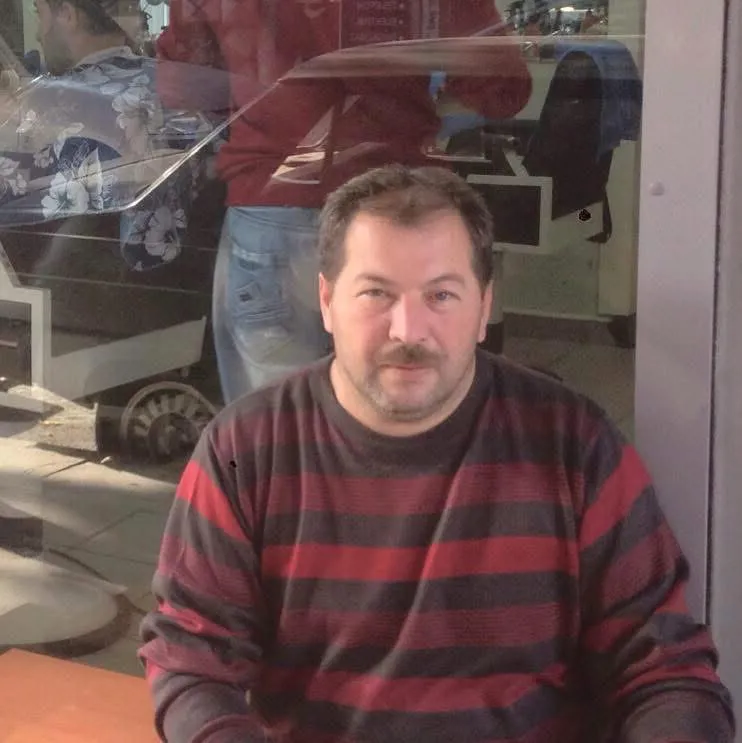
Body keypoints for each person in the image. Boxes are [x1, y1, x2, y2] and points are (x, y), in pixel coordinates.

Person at [139, 164, 735, 743]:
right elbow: (192, 657)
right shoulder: (246, 449)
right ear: (326, 300)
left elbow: (661, 667)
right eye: (376, 293)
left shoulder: (573, 444)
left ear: (484, 307)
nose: (408, 330)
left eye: (441, 295)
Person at [155, 0, 533, 403]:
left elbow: (182, 85)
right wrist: (417, 101)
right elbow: (502, 88)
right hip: (391, 205)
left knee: (275, 423)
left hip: (277, 195)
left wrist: (262, 95)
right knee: (401, 413)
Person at [0, 0, 212, 271]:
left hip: (85, 284)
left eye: (40, 15)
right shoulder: (184, 86)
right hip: (190, 279)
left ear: (67, 14)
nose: (39, 34)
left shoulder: (50, 106)